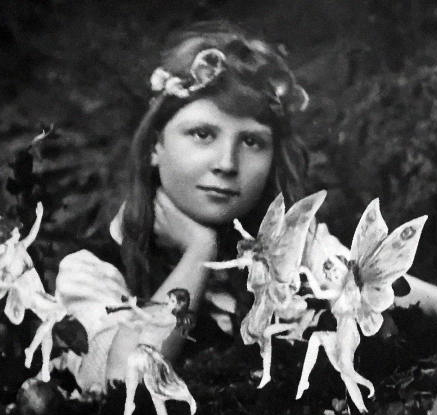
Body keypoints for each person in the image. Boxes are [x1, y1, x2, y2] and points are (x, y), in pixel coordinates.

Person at [93, 20, 312, 364]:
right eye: (202, 134)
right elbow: (125, 378)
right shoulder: (96, 271)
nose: (227, 164)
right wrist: (199, 251)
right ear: (154, 146)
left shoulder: (303, 255)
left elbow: (413, 316)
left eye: (251, 141)